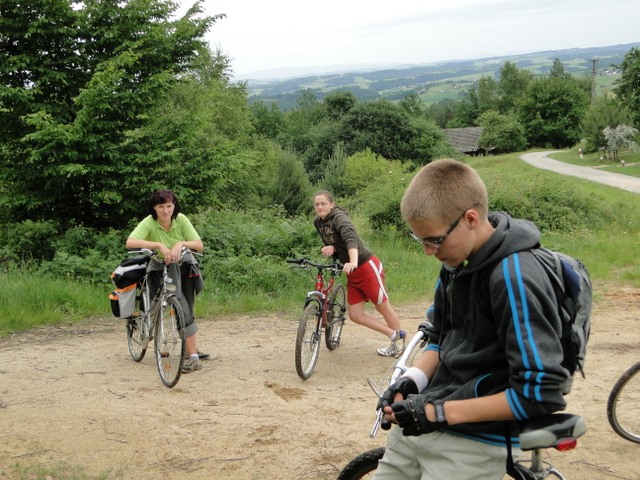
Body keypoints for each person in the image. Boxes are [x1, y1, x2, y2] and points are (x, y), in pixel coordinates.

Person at [375, 159, 569, 479]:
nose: (427, 251)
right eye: (420, 240)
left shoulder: (515, 277)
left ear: (470, 219)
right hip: (425, 422)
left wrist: (437, 412)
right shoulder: (455, 264)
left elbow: (539, 393)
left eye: (434, 240)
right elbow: (441, 335)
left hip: (476, 440)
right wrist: (413, 381)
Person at [312, 189, 405, 357]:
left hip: (366, 266)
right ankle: (394, 335)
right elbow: (338, 242)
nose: (320, 207)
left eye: (323, 203)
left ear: (332, 204)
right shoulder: (318, 223)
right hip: (352, 271)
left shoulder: (340, 218)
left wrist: (353, 262)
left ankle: (399, 346)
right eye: (317, 204)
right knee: (355, 314)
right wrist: (331, 248)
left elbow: (350, 239)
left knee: (382, 307)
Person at [126, 189, 207, 373]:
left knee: (185, 306)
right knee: (160, 305)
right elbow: (130, 242)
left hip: (182, 267)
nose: (165, 210)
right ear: (154, 208)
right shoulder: (150, 222)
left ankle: (191, 352)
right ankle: (187, 350)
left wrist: (181, 244)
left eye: (169, 206)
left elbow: (198, 245)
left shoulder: (181, 220)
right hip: (158, 266)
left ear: (174, 206)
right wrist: (158, 245)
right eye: (161, 206)